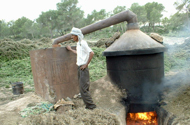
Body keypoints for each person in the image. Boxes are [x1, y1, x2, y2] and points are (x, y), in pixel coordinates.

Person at [66, 27, 96, 110]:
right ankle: (88, 105)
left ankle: (91, 106)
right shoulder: (78, 43)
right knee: (82, 87)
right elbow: (79, 53)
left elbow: (91, 53)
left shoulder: (83, 43)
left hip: (83, 68)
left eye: (73, 35)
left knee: (83, 89)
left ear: (77, 36)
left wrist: (86, 64)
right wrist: (71, 50)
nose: (72, 37)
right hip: (79, 68)